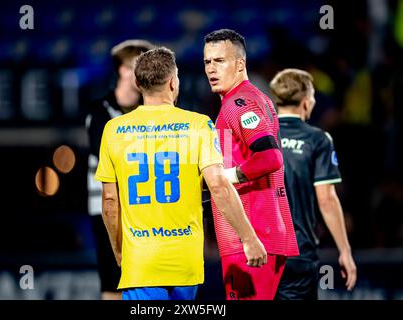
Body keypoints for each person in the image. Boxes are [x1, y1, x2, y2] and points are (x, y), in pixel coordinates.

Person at [95, 47, 265, 300]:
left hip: (141, 263)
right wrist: (249, 238)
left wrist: (118, 250)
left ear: (138, 84)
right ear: (173, 82)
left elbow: (110, 202)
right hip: (185, 261)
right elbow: (218, 187)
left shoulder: (113, 130)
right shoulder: (199, 125)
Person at [203, 29, 299, 300]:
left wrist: (224, 177)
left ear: (240, 63)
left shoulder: (238, 104)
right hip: (263, 231)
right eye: (207, 62)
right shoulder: (253, 98)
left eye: (219, 61)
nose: (211, 68)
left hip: (251, 233)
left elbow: (270, 157)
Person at [269, 68, 357, 299]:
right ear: (306, 103)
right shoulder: (317, 140)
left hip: (259, 251)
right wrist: (345, 251)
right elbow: (326, 199)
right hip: (298, 252)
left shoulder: (259, 137)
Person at [85, 39, 154, 300]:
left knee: (144, 282)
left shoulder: (149, 110)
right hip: (106, 207)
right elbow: (103, 153)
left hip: (142, 206)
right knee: (113, 282)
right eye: (140, 66)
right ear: (123, 70)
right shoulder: (99, 109)